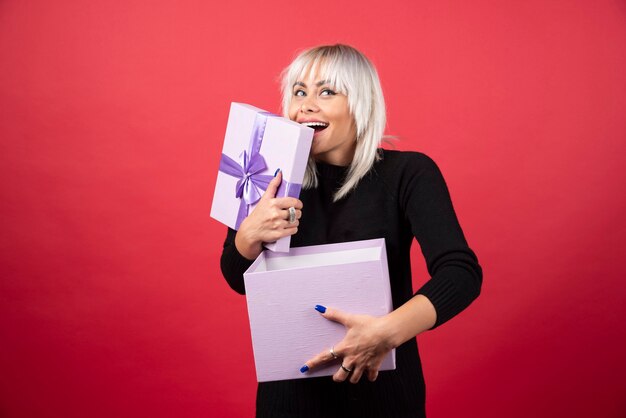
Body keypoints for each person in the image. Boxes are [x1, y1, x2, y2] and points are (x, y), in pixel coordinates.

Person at [220, 44, 482, 418]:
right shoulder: (265, 176)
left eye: (327, 92)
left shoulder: (408, 174)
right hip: (288, 402)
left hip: (384, 397)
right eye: (299, 92)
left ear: (360, 104)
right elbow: (238, 279)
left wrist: (385, 334)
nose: (307, 105)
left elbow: (461, 274)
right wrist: (247, 235)